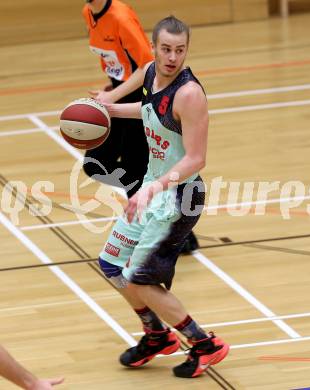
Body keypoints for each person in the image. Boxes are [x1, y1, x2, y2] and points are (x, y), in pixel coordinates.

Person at [96, 16, 230, 378]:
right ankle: (157, 335)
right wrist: (107, 108)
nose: (173, 57)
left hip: (180, 195)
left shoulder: (190, 95)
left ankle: (204, 344)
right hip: (154, 188)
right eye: (166, 49)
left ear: (187, 50)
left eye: (180, 50)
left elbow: (196, 158)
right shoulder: (153, 72)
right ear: (154, 48)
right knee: (111, 264)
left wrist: (154, 187)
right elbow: (148, 112)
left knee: (140, 279)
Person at [82, 0, 199, 252]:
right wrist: (112, 88)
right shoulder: (89, 13)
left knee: (132, 167)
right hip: (121, 94)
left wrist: (113, 97)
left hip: (140, 97)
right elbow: (121, 61)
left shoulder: (121, 18)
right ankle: (157, 215)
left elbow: (146, 65)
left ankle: (175, 230)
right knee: (99, 165)